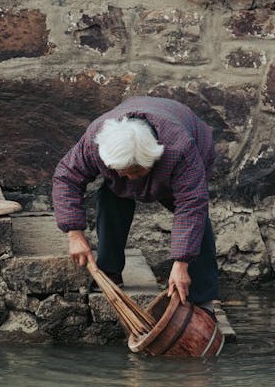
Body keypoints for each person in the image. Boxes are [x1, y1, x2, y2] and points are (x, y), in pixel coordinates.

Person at [52, 96, 219, 316]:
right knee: (111, 196)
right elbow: (66, 177)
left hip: (188, 143)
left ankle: (201, 298)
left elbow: (191, 205)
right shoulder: (95, 141)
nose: (131, 178)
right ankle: (110, 269)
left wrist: (181, 264)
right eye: (125, 172)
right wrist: (74, 233)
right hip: (130, 159)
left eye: (137, 171)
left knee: (196, 219)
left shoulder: (180, 149)